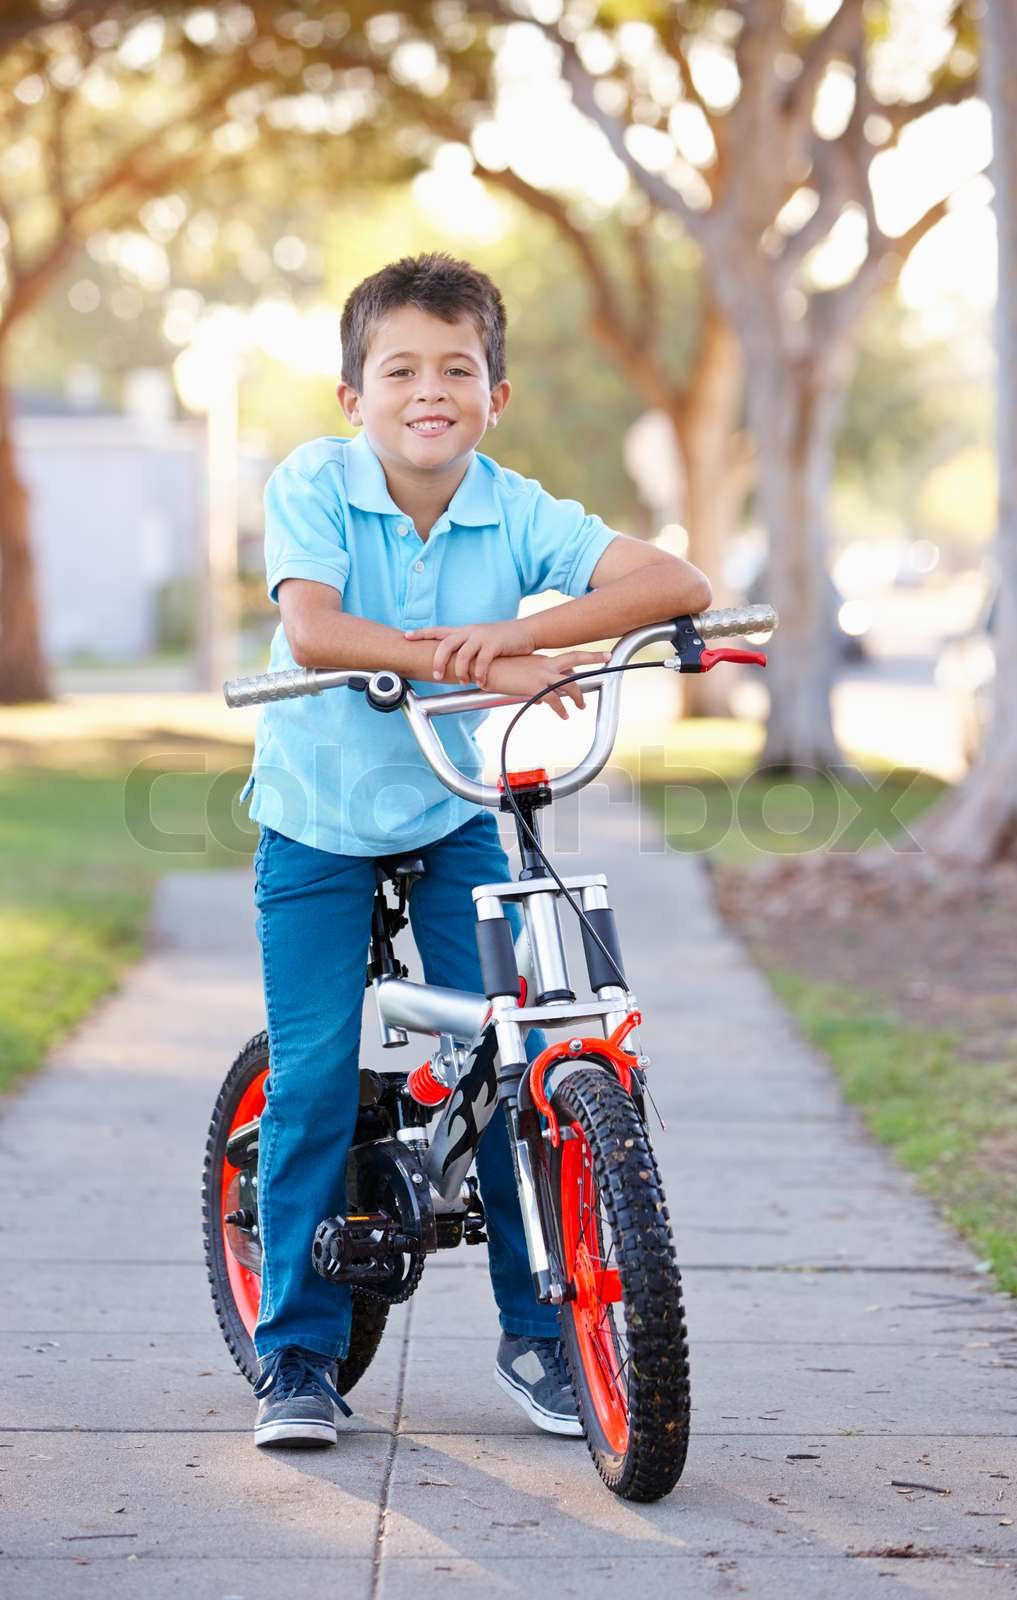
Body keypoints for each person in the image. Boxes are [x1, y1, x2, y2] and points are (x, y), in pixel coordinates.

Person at [244, 251, 711, 1448]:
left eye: (457, 368)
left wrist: (515, 631)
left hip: (454, 811)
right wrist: (484, 660)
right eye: (398, 369)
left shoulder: (518, 508)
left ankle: (538, 1332)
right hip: (315, 818)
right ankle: (295, 1351)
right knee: (308, 1078)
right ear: (355, 398)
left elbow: (673, 578)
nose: (427, 389)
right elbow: (313, 630)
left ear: (494, 395)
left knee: (513, 1054)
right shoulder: (315, 481)